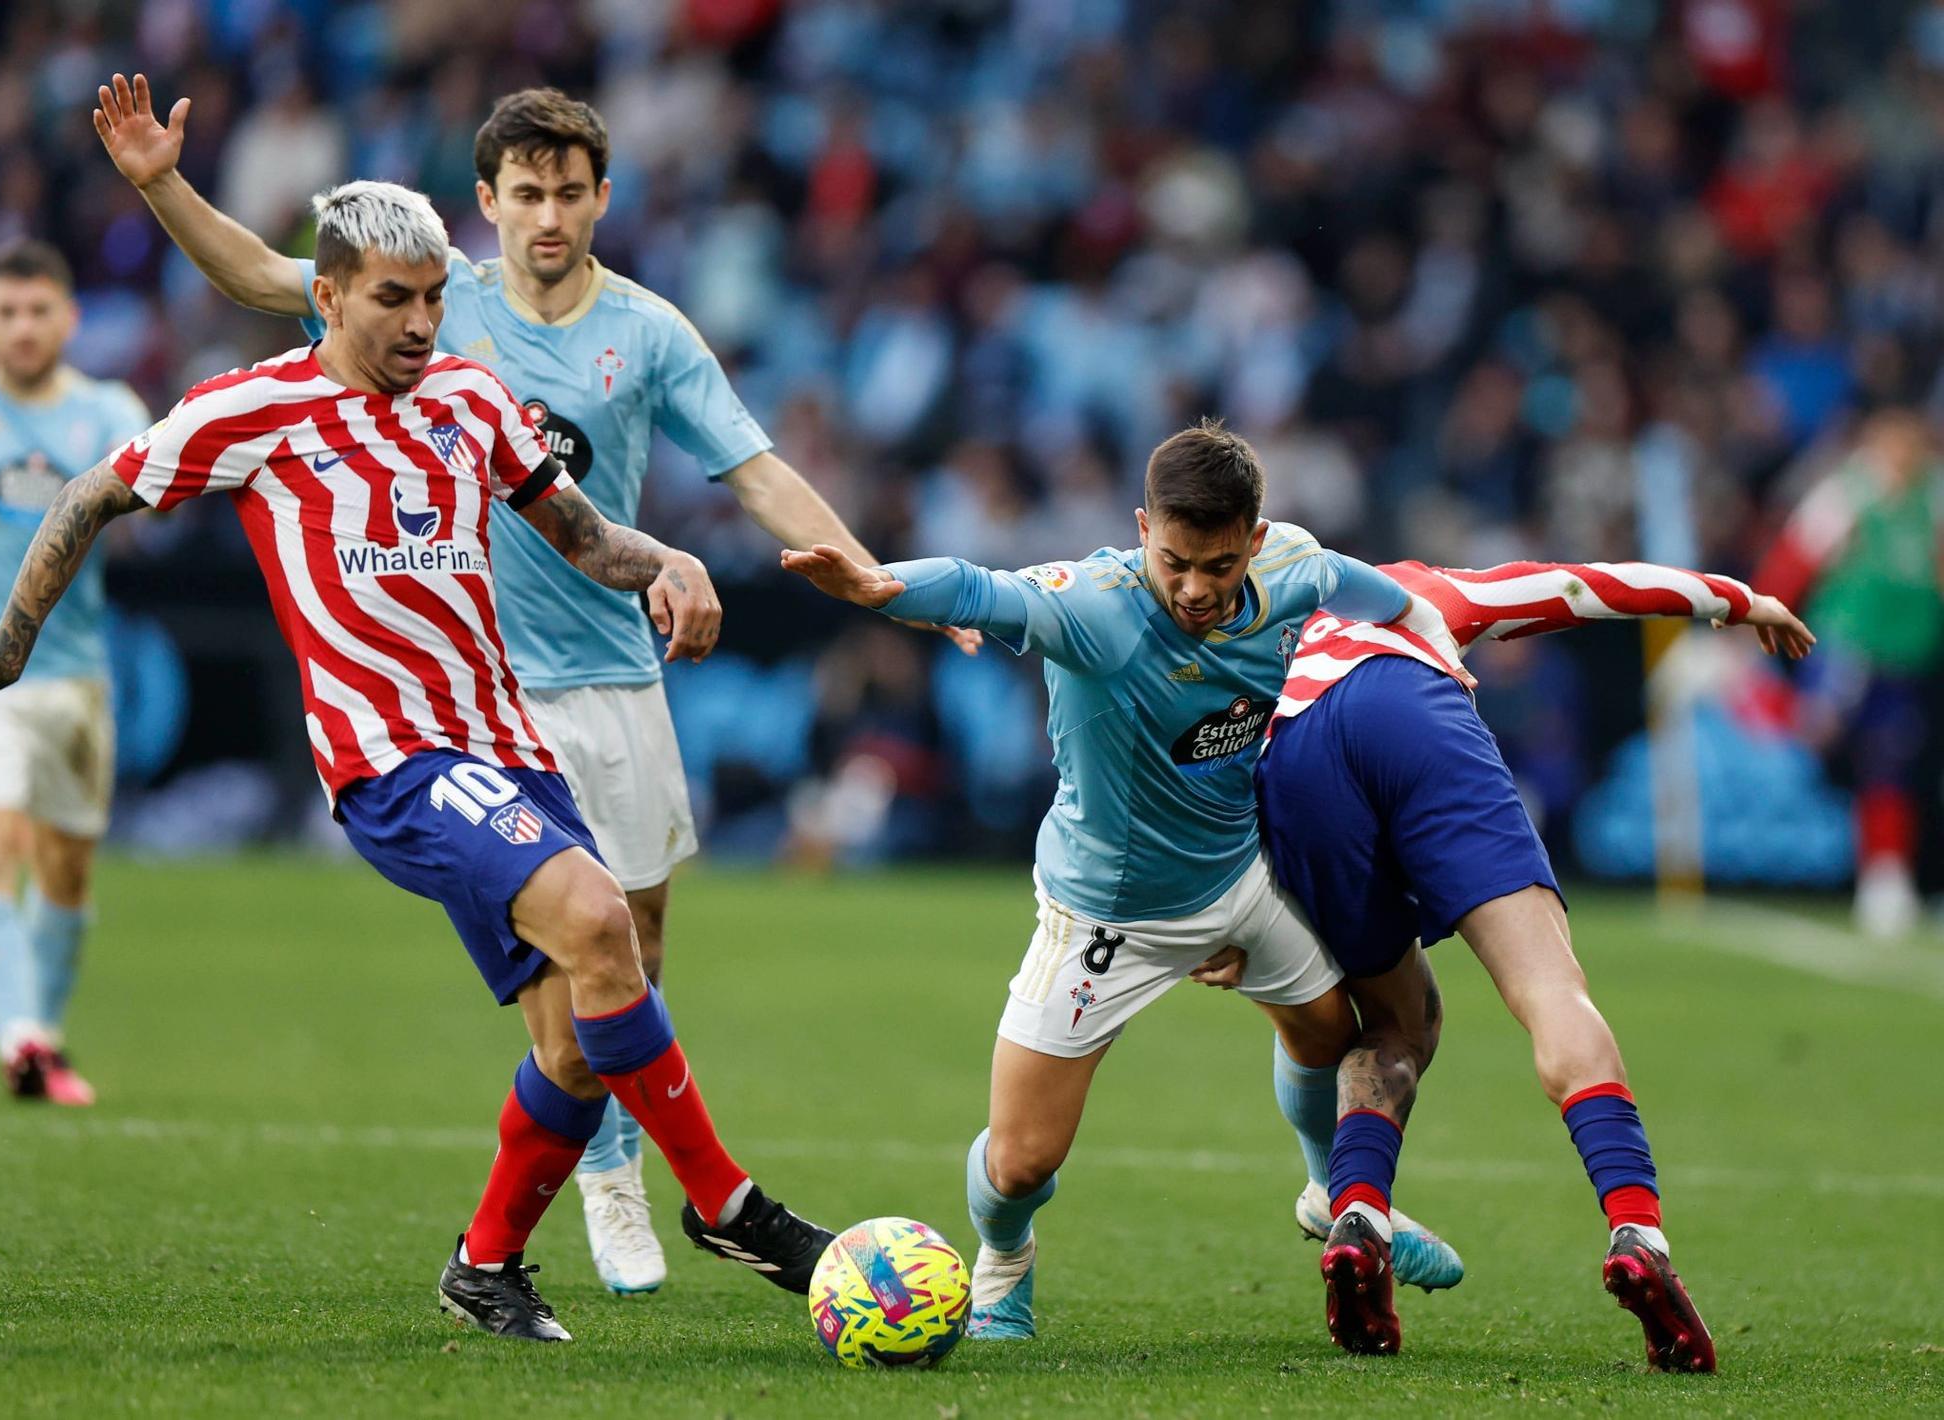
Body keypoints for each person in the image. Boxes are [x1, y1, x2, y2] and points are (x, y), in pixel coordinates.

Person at [93, 73, 974, 1293]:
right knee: (577, 942)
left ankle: (525, 1230)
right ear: (487, 203)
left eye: (569, 192)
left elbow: (756, 471)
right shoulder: (423, 309)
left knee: (637, 950)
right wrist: (160, 183)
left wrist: (875, 579)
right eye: (525, 194)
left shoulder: (651, 332)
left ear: (602, 198)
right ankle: (625, 1192)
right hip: (483, 695)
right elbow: (254, 273)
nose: (548, 215)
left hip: (616, 669)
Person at [0, 181, 830, 1343]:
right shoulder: (250, 410)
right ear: (326, 297)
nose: (420, 324)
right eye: (391, 301)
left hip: (508, 749)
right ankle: (728, 1204)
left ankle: (486, 1262)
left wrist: (667, 559)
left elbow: (579, 535)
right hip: (392, 761)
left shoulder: (470, 396)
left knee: (573, 1041)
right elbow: (89, 495)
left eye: (429, 299)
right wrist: (8, 650)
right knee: (604, 920)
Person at [781, 418, 1469, 1341]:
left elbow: (1392, 599)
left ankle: (1332, 1192)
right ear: (1141, 526)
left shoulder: (1294, 569)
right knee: (1022, 1162)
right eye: (1174, 560)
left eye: (1219, 566)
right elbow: (986, 589)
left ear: (1255, 543)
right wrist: (877, 585)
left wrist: (1444, 659)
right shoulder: (1095, 605)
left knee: (1332, 1034)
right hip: (1108, 912)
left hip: (1238, 877)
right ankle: (1005, 1260)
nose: (1193, 588)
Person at [1241, 556, 1813, 1367]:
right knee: (1550, 991)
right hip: (1412, 712)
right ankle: (1636, 1232)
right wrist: (1737, 598)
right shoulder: (1419, 589)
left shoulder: (1251, 633)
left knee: (1402, 1021)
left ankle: (1360, 1215)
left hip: (1295, 761)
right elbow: (1585, 588)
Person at [0, 240, 152, 1106]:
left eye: (39, 311)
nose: (23, 328)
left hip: (75, 677)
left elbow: (142, 521)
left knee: (66, 874)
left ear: (69, 319)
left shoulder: (108, 411)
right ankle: (22, 1037)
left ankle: (44, 1040)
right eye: (6, 311)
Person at [1753, 409, 1942, 936]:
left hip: (1906, 656)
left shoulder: (1932, 499)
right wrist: (1755, 617)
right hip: (1847, 648)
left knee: (1889, 762)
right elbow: (1794, 559)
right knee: (1821, 738)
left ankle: (1885, 878)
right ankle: (1744, 692)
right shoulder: (1848, 495)